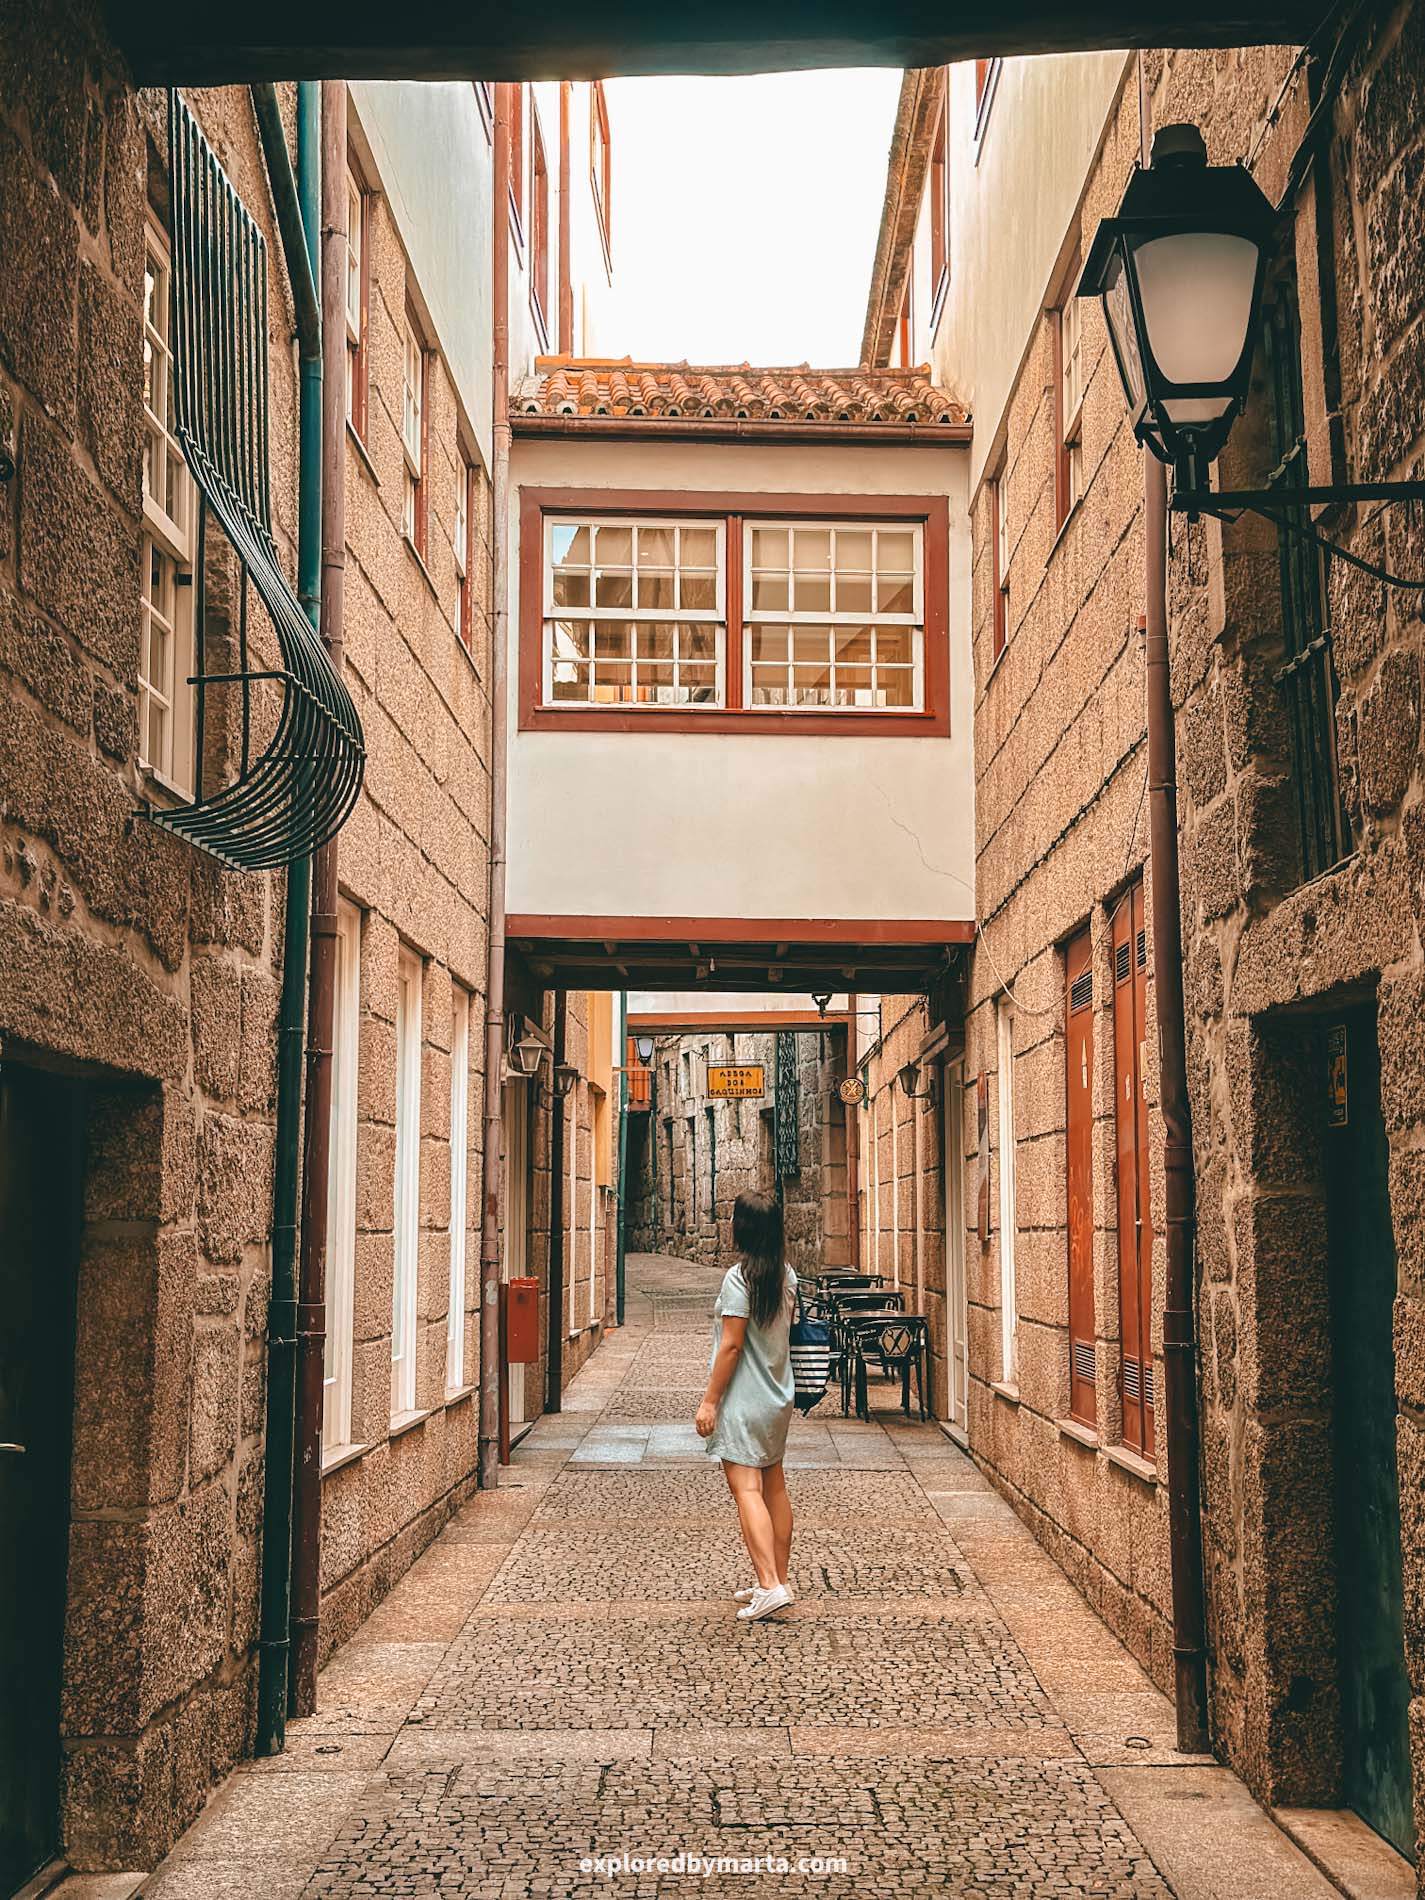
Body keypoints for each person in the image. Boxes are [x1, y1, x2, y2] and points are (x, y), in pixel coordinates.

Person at [694, 1188, 796, 1622]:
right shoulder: (785, 1275)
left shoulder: (739, 1279)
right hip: (776, 1396)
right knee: (774, 1486)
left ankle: (770, 1585)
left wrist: (709, 1402)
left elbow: (732, 1346)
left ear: (743, 1228)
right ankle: (777, 1579)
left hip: (744, 1399)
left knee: (747, 1490)